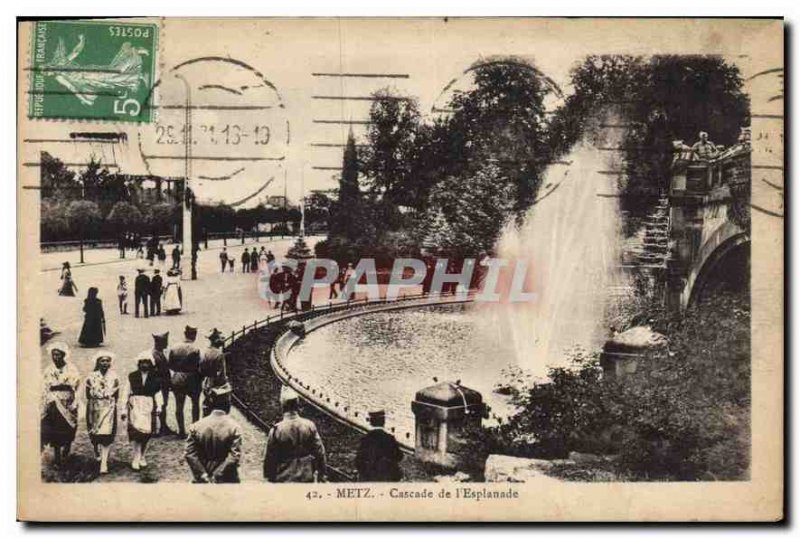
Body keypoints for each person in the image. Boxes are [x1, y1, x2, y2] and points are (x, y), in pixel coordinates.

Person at [263, 387, 326, 483]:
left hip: (284, 478)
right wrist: (322, 473)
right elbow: (320, 452)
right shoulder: (309, 425)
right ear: (297, 405)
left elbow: (270, 457)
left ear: (283, 406)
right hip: (306, 476)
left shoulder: (277, 430)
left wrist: (270, 476)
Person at [184, 385, 242, 483]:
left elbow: (189, 453)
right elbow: (234, 456)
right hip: (226, 477)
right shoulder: (234, 427)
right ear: (228, 405)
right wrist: (218, 474)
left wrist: (203, 474)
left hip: (202, 474)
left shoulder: (196, 426)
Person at [41, 342, 81, 467]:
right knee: (54, 430)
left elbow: (77, 386)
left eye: (58, 354)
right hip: (53, 402)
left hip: (67, 401)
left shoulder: (71, 369)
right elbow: (45, 386)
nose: (55, 357)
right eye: (53, 355)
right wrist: (45, 401)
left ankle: (68, 444)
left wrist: (75, 401)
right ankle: (57, 457)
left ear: (63, 355)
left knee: (69, 426)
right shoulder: (49, 369)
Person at [85, 352, 121, 474]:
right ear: (98, 362)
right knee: (95, 434)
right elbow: (87, 394)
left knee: (106, 434)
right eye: (102, 361)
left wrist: (110, 403)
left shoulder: (114, 377)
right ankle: (96, 449)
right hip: (95, 407)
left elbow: (116, 394)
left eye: (107, 361)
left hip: (108, 407)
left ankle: (104, 463)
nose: (105, 363)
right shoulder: (92, 376)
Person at [126, 352, 163, 470]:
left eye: (147, 362)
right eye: (142, 362)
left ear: (150, 364)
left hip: (148, 406)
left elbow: (158, 393)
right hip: (135, 405)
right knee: (137, 433)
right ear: (139, 364)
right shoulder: (132, 376)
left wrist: (159, 407)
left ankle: (142, 455)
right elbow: (126, 392)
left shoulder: (155, 377)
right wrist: (123, 408)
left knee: (147, 434)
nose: (145, 365)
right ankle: (136, 457)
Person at [168, 325, 202, 437]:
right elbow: (198, 366)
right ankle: (194, 430)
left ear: (185, 334)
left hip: (178, 378)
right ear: (193, 335)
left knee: (179, 405)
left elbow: (170, 364)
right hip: (192, 379)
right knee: (195, 404)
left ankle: (181, 430)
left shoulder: (174, 347)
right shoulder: (195, 349)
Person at [355, 410, 403, 482]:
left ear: (371, 422)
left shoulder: (366, 439)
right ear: (383, 422)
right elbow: (399, 456)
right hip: (387, 478)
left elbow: (359, 460)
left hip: (369, 478)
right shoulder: (390, 438)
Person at [149, 331, 174, 436]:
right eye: (165, 342)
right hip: (159, 384)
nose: (166, 344)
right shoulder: (154, 355)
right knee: (157, 406)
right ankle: (154, 429)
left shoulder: (159, 352)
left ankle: (163, 426)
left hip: (163, 383)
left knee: (163, 405)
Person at [199, 328, 228, 417]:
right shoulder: (219, 354)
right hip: (217, 385)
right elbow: (219, 372)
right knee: (219, 408)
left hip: (206, 382)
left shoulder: (205, 352)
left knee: (206, 406)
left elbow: (201, 368)